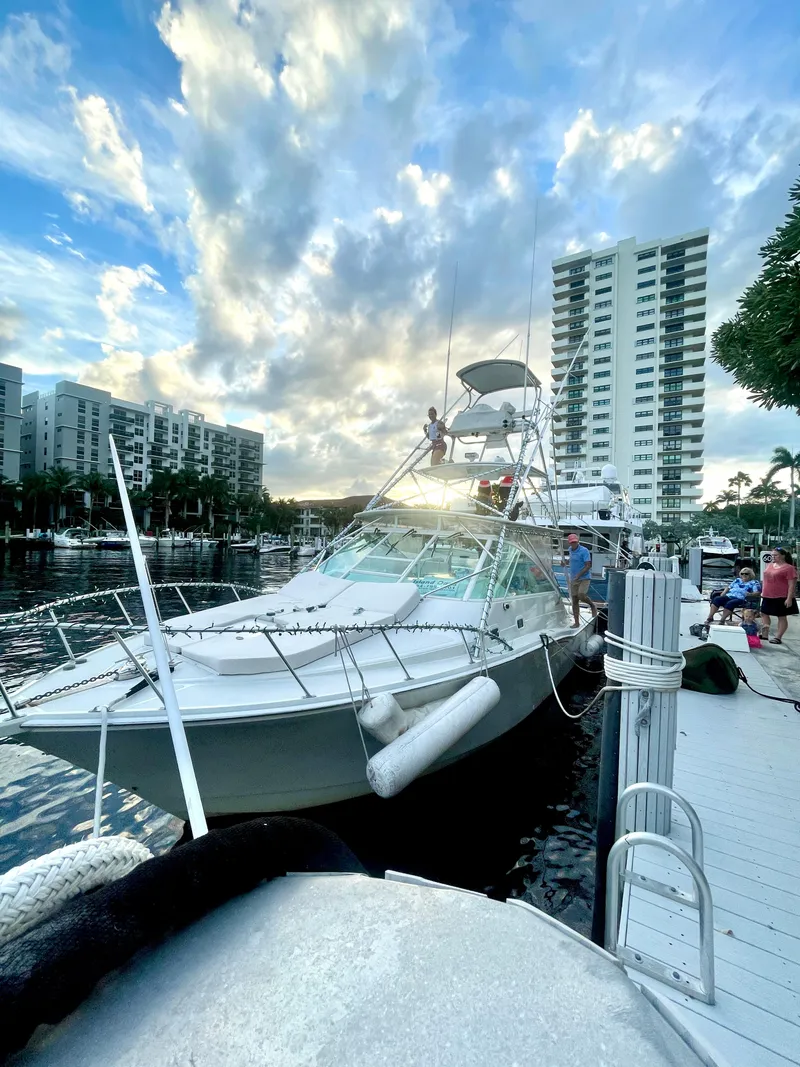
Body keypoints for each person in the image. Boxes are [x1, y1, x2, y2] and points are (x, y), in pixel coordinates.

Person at [759, 547, 798, 644]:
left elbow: (792, 585)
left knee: (781, 616)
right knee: (764, 613)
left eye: (775, 555)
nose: (773, 557)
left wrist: (789, 598)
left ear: (783, 556)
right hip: (768, 595)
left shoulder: (789, 568)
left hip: (781, 596)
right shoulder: (770, 565)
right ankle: (765, 633)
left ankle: (778, 637)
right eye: (772, 555)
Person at [566, 532, 596, 628]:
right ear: (569, 543)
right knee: (574, 600)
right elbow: (572, 560)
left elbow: (588, 565)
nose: (574, 544)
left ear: (578, 542)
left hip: (584, 577)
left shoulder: (584, 551)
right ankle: (576, 622)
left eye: (575, 542)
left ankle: (592, 605)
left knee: (581, 594)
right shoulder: (570, 550)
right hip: (574, 578)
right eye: (572, 542)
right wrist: (565, 562)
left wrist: (579, 574)